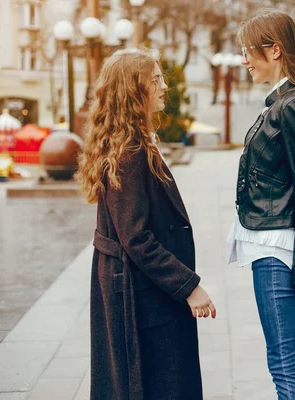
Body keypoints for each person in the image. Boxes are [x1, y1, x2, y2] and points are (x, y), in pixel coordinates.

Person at [75, 49, 216, 400]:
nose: (164, 86)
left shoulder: (129, 142)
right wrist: (188, 286)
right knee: (156, 384)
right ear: (134, 90)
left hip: (138, 287)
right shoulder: (129, 151)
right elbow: (135, 237)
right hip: (141, 293)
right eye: (156, 80)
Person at [227, 9, 295, 400]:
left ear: (274, 51)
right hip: (270, 246)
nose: (244, 60)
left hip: (279, 251)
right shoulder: (281, 102)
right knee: (291, 356)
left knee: (284, 361)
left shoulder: (293, 106)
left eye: (249, 52)